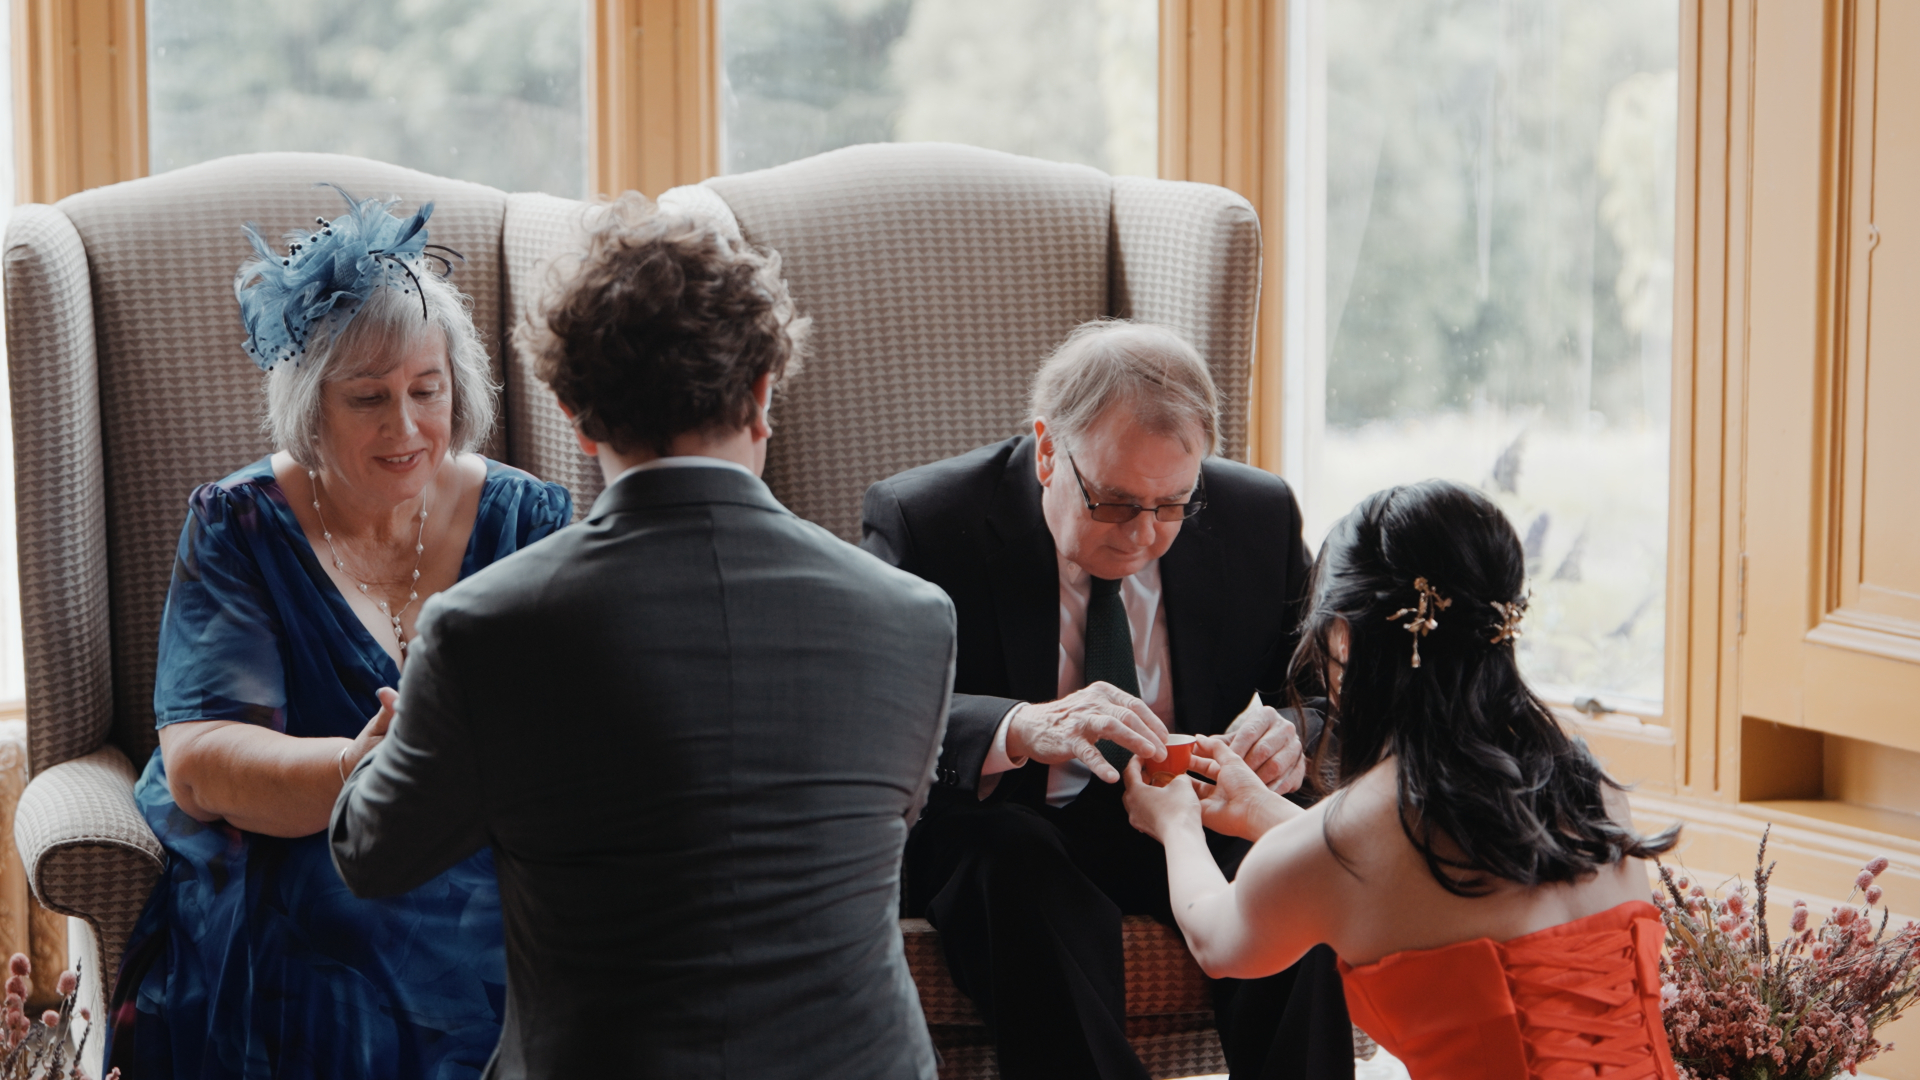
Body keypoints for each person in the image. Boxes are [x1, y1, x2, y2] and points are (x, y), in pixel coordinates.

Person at [328, 197, 959, 1080]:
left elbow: (375, 855)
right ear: (763, 395)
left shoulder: (485, 627)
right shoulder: (914, 615)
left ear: (574, 414)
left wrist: (380, 752)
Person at [117, 188, 574, 1078]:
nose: (406, 427)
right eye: (368, 398)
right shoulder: (240, 524)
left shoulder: (528, 520)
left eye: (426, 390)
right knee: (344, 929)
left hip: (487, 854)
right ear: (312, 406)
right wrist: (362, 770)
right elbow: (201, 759)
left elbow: (570, 736)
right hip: (302, 853)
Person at [861, 320, 1352, 1080]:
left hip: (1188, 807)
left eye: (1172, 505)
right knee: (1013, 868)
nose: (1143, 536)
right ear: (1049, 448)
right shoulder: (927, 522)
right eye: (1115, 502)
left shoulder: (1255, 516)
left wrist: (1292, 728)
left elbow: (1323, 688)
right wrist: (1020, 726)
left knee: (1281, 860)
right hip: (1012, 819)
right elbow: (873, 706)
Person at [1121, 479, 1682, 1080]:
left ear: (1343, 638)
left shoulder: (1356, 835)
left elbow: (1215, 939)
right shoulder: (1585, 784)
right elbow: (1396, 879)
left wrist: (1177, 822)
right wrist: (1262, 810)